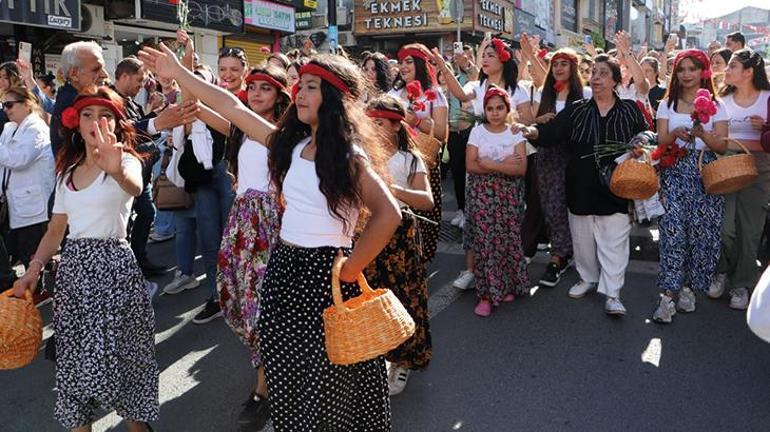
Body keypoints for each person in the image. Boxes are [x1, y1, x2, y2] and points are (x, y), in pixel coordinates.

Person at [139, 44, 400, 431]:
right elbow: (233, 109)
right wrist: (180, 71)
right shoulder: (292, 145)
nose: (300, 93)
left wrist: (349, 271)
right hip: (284, 268)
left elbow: (388, 214)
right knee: (286, 369)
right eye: (301, 86)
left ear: (333, 98)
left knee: (328, 380)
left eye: (311, 87)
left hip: (325, 273)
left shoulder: (348, 156)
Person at [12, 86, 158, 432]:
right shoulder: (66, 174)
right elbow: (54, 230)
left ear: (116, 123)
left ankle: (139, 425)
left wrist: (117, 168)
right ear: (75, 124)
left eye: (105, 115)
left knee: (126, 358)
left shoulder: (125, 161)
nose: (96, 122)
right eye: (88, 115)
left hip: (115, 270)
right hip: (74, 274)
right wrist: (33, 270)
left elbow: (135, 187)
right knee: (76, 364)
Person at [519, 54, 649, 316]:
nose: (596, 78)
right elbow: (551, 132)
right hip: (579, 185)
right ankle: (587, 278)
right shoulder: (577, 110)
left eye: (603, 74)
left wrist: (641, 142)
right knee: (582, 240)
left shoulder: (630, 109)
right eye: (594, 73)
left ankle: (613, 293)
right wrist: (532, 131)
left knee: (614, 241)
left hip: (616, 185)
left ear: (615, 81)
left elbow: (647, 132)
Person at [216, 65, 289, 429]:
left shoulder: (281, 133)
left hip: (269, 227)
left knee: (260, 305)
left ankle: (264, 388)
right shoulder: (241, 132)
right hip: (242, 224)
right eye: (253, 88)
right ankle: (270, 372)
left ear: (279, 96)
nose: (257, 93)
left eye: (266, 88)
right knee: (238, 298)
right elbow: (200, 108)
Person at [651, 50, 728, 324]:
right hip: (673, 173)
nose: (686, 74)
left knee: (701, 237)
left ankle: (688, 288)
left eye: (692, 68)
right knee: (671, 233)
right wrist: (674, 135)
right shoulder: (667, 104)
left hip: (705, 175)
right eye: (681, 69)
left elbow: (722, 145)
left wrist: (702, 134)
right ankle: (668, 295)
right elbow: (661, 139)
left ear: (703, 72)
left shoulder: (718, 105)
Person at [365, 94, 434, 396]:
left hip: (400, 237)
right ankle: (377, 354)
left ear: (395, 126)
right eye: (370, 123)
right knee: (370, 297)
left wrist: (391, 188)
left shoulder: (410, 159)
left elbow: (426, 200)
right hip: (366, 233)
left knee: (403, 298)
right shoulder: (361, 156)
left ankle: (403, 361)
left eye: (379, 123)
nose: (373, 128)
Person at [711, 49, 770, 310]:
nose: (726, 69)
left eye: (732, 65)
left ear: (749, 72)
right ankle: (721, 270)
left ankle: (741, 284)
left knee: (750, 230)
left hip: (760, 170)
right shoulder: (720, 100)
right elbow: (714, 138)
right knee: (725, 228)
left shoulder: (768, 99)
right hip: (725, 167)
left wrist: (766, 131)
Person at [530, 48, 591, 288]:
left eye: (564, 64)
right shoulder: (544, 94)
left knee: (575, 209)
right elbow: (534, 127)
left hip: (574, 157)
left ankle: (576, 254)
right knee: (552, 207)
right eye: (555, 64)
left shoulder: (584, 93)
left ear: (573, 68)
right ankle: (558, 256)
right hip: (548, 156)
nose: (559, 68)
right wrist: (539, 121)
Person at [466, 85, 529, 316]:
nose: (494, 113)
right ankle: (486, 295)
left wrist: (491, 164)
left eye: (499, 108)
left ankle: (506, 286)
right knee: (485, 243)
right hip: (482, 195)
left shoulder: (515, 133)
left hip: (509, 196)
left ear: (507, 109)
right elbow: (471, 165)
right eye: (490, 108)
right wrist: (505, 165)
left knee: (506, 240)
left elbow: (521, 168)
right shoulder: (477, 131)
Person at [389, 43, 448, 263]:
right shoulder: (393, 93)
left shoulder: (435, 95)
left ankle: (418, 264)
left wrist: (416, 121)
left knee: (422, 217)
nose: (403, 67)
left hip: (421, 162)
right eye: (401, 62)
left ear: (421, 65)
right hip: (393, 161)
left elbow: (442, 134)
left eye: (409, 61)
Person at [113, 57, 169, 276]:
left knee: (146, 213)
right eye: (138, 81)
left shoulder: (130, 101)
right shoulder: (111, 100)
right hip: (124, 172)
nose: (140, 86)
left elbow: (141, 126)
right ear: (124, 76)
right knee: (124, 222)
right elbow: (126, 131)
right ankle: (128, 265)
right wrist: (157, 121)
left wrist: (158, 113)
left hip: (141, 172)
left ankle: (138, 259)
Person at [0, 87, 55, 303]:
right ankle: (49, 272)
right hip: (15, 199)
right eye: (4, 105)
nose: (6, 109)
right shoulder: (9, 128)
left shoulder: (36, 128)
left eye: (10, 104)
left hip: (34, 200)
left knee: (30, 248)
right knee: (19, 246)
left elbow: (18, 159)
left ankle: (38, 290)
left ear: (27, 104)